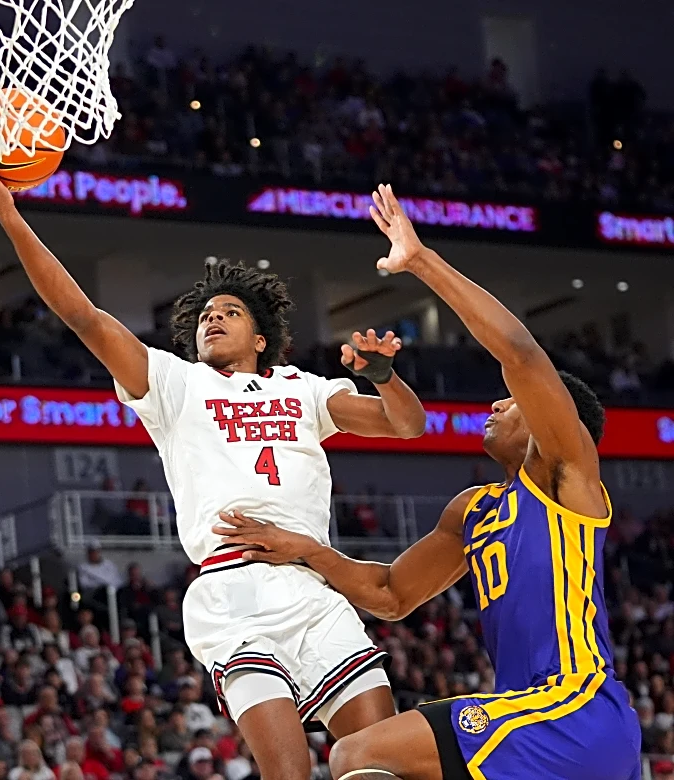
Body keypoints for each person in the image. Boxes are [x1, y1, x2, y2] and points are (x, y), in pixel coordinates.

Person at [0, 137, 428, 780]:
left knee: (379, 763)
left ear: (260, 338)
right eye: (206, 314)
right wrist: (8, 212)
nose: (213, 320)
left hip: (312, 585)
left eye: (230, 313)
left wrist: (384, 376)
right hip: (231, 589)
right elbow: (85, 317)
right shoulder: (176, 385)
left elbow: (407, 425)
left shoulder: (304, 388)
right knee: (287, 773)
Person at [215, 185, 643, 780]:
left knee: (358, 752)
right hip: (536, 724)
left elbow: (519, 353)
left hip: (571, 710)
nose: (498, 402)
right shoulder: (474, 509)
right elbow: (392, 594)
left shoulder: (567, 479)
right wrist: (310, 551)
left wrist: (418, 260)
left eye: (515, 402)